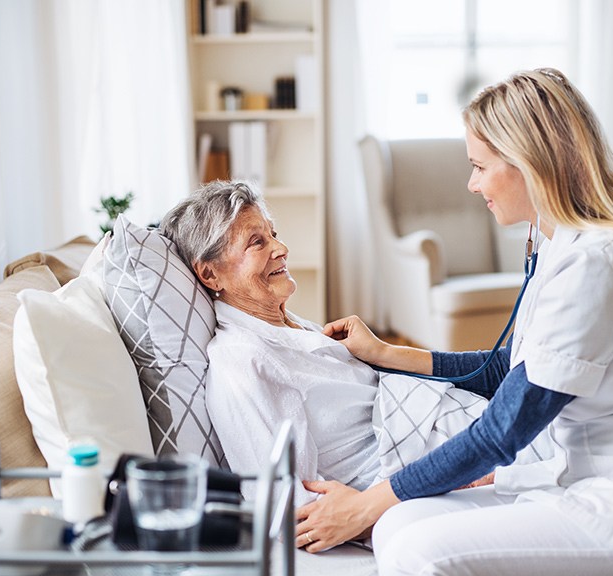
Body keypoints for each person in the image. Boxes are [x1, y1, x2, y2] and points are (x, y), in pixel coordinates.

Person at [294, 68, 613, 576]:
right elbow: (503, 369)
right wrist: (383, 352)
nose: (472, 184)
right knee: (401, 526)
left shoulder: (600, 262)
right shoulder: (560, 242)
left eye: (479, 167)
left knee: (415, 554)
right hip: (601, 477)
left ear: (530, 164)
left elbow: (503, 431)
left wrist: (366, 502)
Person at [158, 181, 495, 507]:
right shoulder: (242, 362)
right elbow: (285, 500)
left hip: (469, 428)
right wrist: (378, 504)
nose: (281, 248)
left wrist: (381, 355)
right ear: (210, 274)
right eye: (256, 242)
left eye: (273, 234)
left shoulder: (293, 328)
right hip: (445, 465)